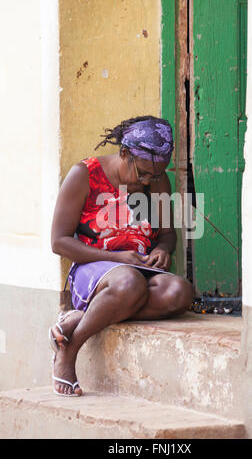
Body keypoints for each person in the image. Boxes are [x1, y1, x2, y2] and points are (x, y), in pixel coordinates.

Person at [50, 115, 194, 396]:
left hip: (138, 270)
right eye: (142, 173)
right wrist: (117, 258)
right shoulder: (84, 175)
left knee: (179, 291)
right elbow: (59, 242)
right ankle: (70, 349)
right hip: (94, 272)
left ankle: (81, 319)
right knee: (128, 282)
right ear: (124, 153)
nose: (149, 180)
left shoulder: (157, 180)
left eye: (155, 175)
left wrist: (163, 250)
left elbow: (167, 235)